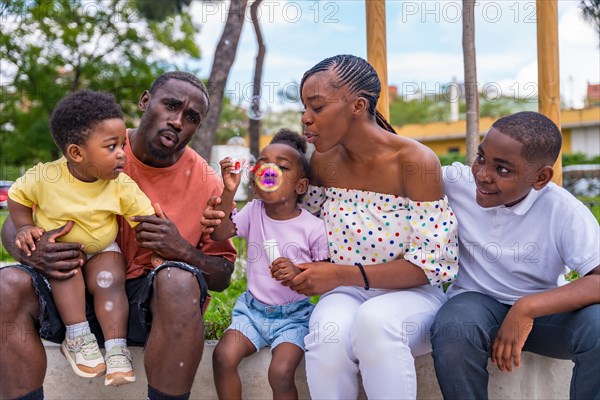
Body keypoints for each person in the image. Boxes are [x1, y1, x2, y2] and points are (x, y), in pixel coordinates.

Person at [202, 54, 460, 399]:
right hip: (346, 292)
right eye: (304, 108)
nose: (306, 119)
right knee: (327, 333)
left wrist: (338, 274)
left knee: (375, 322)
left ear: (357, 105)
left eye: (318, 107)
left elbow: (432, 264)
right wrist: (226, 209)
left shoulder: (414, 162)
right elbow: (290, 220)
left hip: (411, 295)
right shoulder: (323, 161)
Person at [0, 71, 237, 400]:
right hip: (70, 295)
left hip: (146, 311)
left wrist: (181, 250)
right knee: (6, 285)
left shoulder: (208, 183)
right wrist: (31, 249)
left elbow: (223, 274)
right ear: (144, 102)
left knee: (179, 281)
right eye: (170, 105)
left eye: (191, 117)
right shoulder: (97, 141)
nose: (178, 120)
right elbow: (20, 212)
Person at [430, 111, 600, 399]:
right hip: (475, 307)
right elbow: (392, 164)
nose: (483, 175)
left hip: (545, 316)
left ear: (541, 177)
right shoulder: (456, 182)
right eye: (481, 158)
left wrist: (527, 308)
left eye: (503, 170)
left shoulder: (563, 210)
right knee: (453, 329)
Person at [7, 90, 155, 386]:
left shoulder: (120, 185)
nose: (121, 155)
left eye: (122, 145)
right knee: (66, 270)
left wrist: (157, 246)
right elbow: (17, 196)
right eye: (111, 147)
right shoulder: (45, 177)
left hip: (103, 249)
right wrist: (24, 226)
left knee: (112, 278)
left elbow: (145, 219)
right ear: (76, 153)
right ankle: (78, 337)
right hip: (62, 250)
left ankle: (116, 348)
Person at [210, 129, 329, 400]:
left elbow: (325, 278)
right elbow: (219, 233)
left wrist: (298, 272)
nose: (270, 171)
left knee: (281, 372)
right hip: (251, 313)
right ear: (255, 182)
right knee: (222, 356)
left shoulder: (313, 228)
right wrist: (228, 190)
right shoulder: (254, 211)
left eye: (282, 167)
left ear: (301, 186)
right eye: (264, 164)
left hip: (294, 318)